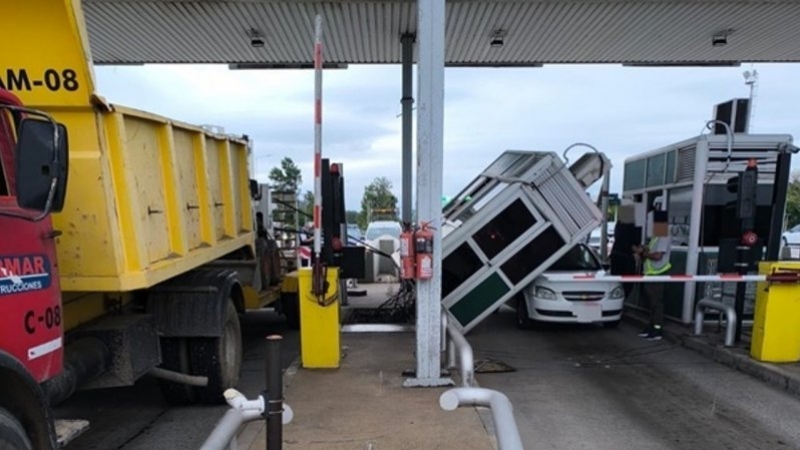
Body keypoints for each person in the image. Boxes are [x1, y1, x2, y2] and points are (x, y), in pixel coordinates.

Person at [633, 210, 672, 341]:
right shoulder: (657, 236)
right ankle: (651, 326)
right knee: (651, 303)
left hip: (658, 273)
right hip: (650, 274)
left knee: (657, 303)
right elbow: (652, 251)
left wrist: (643, 254)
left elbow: (657, 256)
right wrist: (643, 249)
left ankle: (657, 329)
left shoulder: (663, 235)